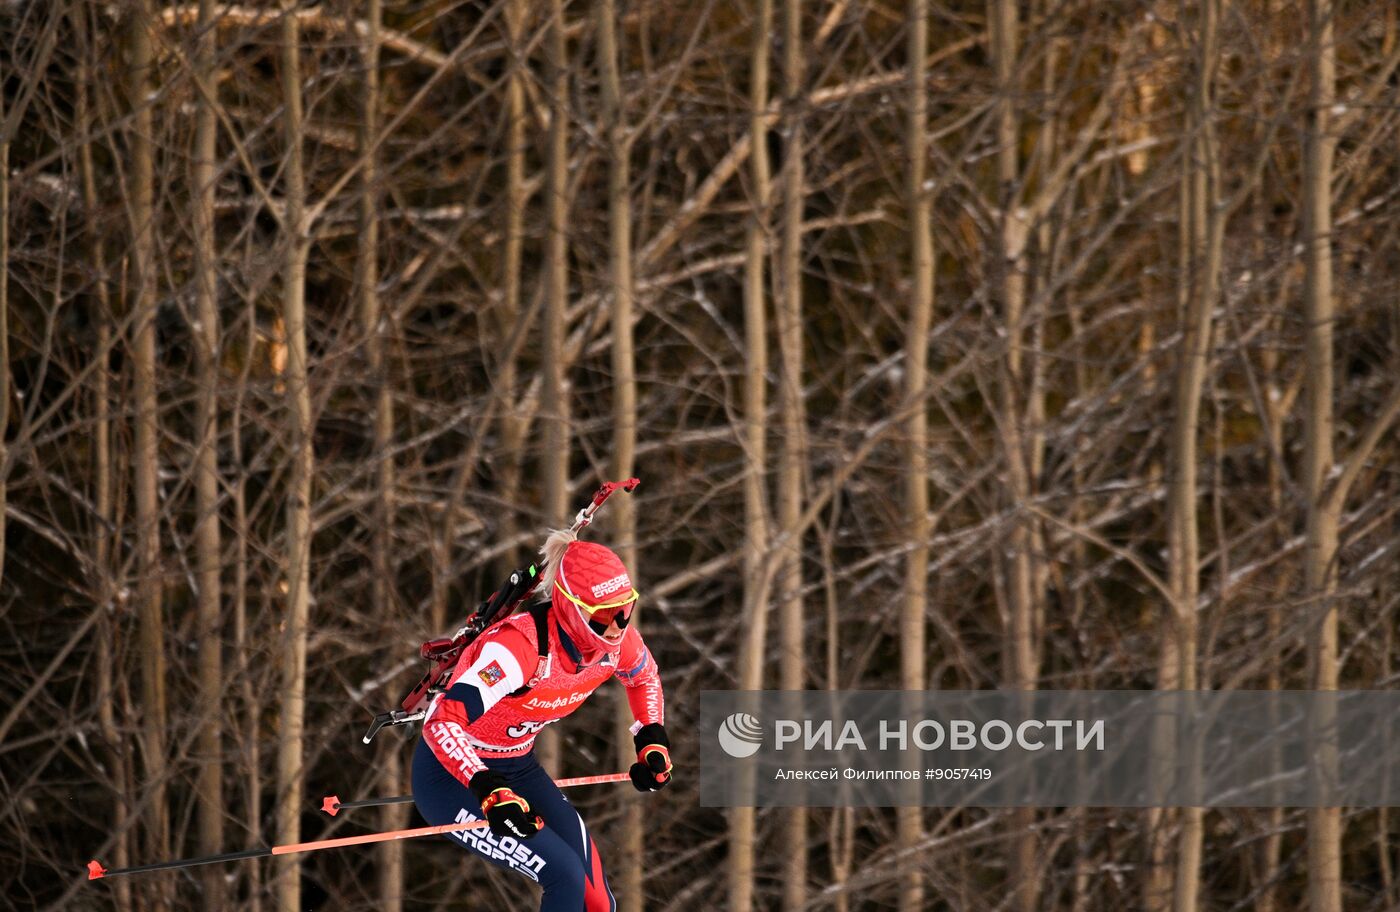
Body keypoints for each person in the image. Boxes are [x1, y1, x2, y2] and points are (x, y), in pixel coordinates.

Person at [412, 529, 671, 912]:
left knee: (598, 902)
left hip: (518, 767)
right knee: (563, 876)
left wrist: (651, 737)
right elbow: (440, 723)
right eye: (603, 616)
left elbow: (644, 677)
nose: (618, 625)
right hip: (453, 778)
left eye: (625, 609)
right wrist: (486, 788)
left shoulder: (615, 646)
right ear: (570, 607)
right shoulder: (520, 650)